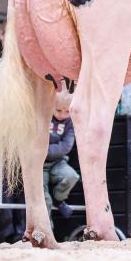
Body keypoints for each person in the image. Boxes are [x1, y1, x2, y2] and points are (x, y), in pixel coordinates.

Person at [44, 91, 80, 221]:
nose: (62, 115)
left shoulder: (69, 123)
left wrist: (45, 150)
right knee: (44, 200)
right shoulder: (44, 116)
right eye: (58, 110)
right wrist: (41, 152)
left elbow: (66, 146)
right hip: (39, 164)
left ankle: (58, 199)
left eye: (67, 111)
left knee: (71, 176)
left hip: (58, 161)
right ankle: (47, 231)